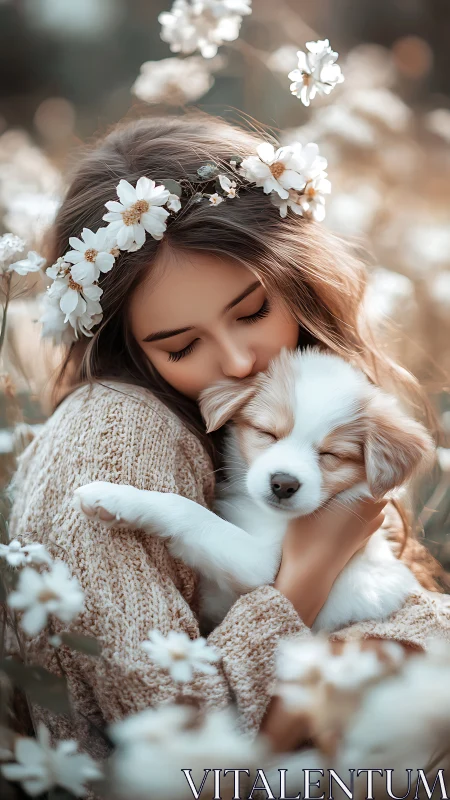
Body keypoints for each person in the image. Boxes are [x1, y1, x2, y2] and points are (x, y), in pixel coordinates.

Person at [9, 113, 450, 761]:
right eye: (182, 344)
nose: (239, 362)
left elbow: (407, 626)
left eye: (251, 312)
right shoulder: (115, 431)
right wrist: (311, 571)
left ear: (299, 280)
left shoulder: (316, 405)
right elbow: (177, 741)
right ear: (125, 341)